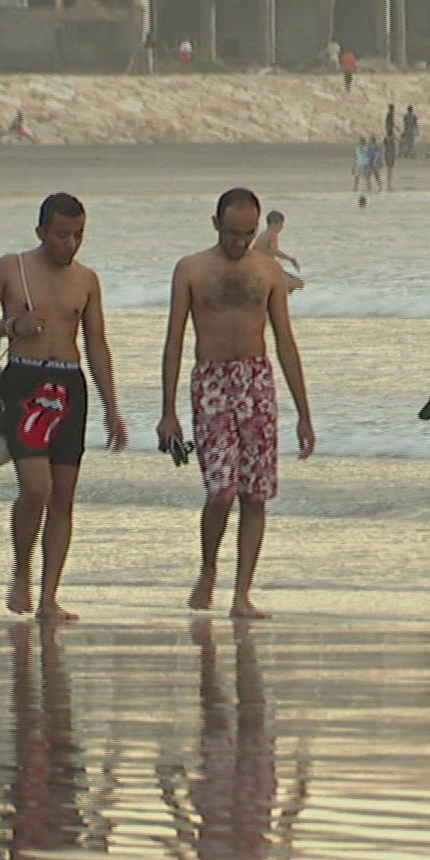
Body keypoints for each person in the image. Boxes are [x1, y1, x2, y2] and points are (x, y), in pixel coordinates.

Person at [0, 193, 127, 621]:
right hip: (25, 380)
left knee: (63, 497)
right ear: (41, 231)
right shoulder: (11, 267)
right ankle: (22, 571)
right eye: (61, 235)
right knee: (37, 488)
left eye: (78, 235)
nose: (70, 244)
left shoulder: (87, 279)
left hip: (69, 384)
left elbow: (97, 344)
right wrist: (12, 326)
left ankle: (49, 597)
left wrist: (112, 407)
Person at [156, 188, 315, 619]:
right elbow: (174, 341)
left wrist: (304, 414)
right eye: (232, 233)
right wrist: (168, 410)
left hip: (256, 381)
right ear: (215, 224)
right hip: (210, 381)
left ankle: (242, 594)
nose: (240, 242)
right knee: (221, 489)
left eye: (247, 233)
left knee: (255, 493)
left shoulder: (268, 271)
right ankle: (208, 569)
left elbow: (286, 343)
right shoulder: (190, 269)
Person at [251, 210, 304, 293]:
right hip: (267, 268)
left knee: (294, 283)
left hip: (260, 267)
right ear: (275, 224)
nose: (282, 227)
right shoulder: (272, 234)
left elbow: (253, 250)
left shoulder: (262, 234)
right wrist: (291, 259)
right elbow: (274, 250)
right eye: (281, 224)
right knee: (299, 284)